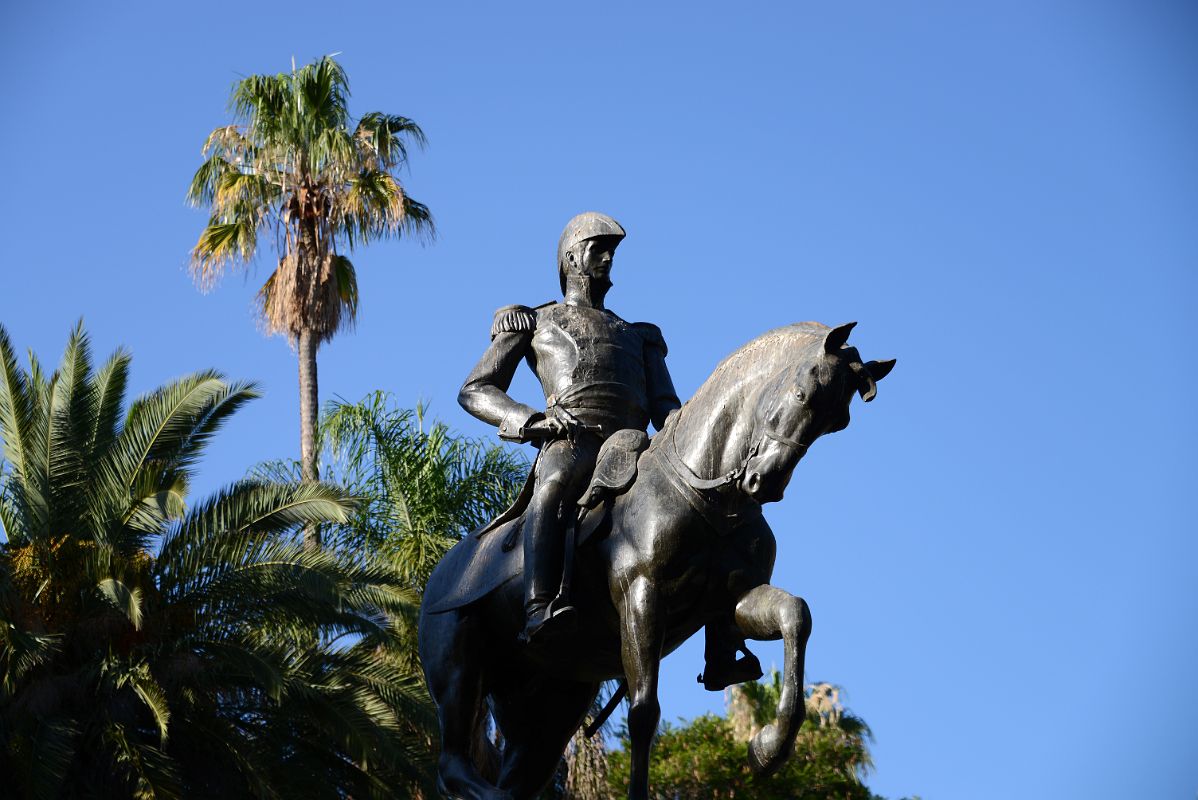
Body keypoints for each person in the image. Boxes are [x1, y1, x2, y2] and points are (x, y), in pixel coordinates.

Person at [458, 212, 680, 644]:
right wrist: (532, 420)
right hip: (574, 439)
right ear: (573, 259)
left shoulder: (640, 336)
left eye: (612, 251)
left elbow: (666, 408)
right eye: (599, 249)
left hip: (634, 446)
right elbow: (475, 389)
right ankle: (538, 606)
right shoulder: (536, 320)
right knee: (555, 483)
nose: (608, 258)